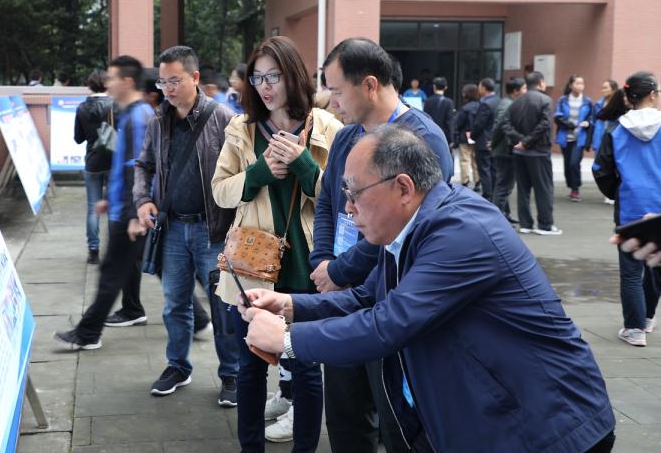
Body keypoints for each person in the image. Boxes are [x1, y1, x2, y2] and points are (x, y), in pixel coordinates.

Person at [240, 125, 616, 453]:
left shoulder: (461, 230)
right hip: (485, 418)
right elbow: (368, 297)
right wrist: (289, 305)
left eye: (354, 193)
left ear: (403, 187)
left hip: (547, 427)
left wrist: (287, 340)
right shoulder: (410, 227)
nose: (349, 209)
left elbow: (388, 323)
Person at [308, 38, 453, 453]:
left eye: (337, 91)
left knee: (394, 415)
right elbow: (328, 203)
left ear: (369, 85)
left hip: (387, 298)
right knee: (345, 413)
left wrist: (340, 271)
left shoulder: (421, 139)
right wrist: (323, 262)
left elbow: (402, 230)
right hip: (340, 289)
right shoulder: (346, 137)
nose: (332, 102)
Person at [212, 35, 342, 451]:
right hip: (253, 265)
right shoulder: (242, 128)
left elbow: (345, 199)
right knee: (250, 366)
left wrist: (304, 165)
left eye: (274, 76)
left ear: (293, 76)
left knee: (306, 368)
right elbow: (220, 191)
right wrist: (259, 173)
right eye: (258, 78)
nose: (265, 87)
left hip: (306, 265)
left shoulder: (328, 128)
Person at [133, 46, 240, 406]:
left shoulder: (223, 118)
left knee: (224, 307)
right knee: (174, 304)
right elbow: (143, 165)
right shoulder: (157, 120)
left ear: (195, 78)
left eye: (174, 81)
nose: (167, 89)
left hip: (214, 231)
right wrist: (142, 200)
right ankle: (178, 366)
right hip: (173, 229)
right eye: (162, 82)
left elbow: (242, 171)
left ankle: (232, 374)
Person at [53, 56, 152, 350]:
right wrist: (110, 199)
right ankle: (196, 318)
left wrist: (133, 213)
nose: (107, 84)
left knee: (111, 274)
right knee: (150, 266)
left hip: (130, 212)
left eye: (112, 78)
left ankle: (88, 334)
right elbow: (124, 165)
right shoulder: (130, 113)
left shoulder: (138, 117)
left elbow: (139, 167)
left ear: (127, 82)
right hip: (124, 207)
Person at [593, 71, 661, 347]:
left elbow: (601, 169)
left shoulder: (616, 130)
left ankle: (634, 329)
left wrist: (617, 192)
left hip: (630, 208)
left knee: (631, 272)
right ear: (653, 95)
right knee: (656, 267)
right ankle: (647, 317)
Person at [501, 71, 562, 235]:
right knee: (544, 188)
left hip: (519, 152)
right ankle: (545, 224)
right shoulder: (545, 100)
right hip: (539, 152)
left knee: (523, 189)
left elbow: (505, 124)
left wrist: (520, 141)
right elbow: (545, 125)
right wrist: (526, 141)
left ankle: (526, 224)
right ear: (541, 83)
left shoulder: (516, 102)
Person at [74, 69, 114, 265]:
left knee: (92, 208)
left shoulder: (82, 108)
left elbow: (78, 138)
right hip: (113, 161)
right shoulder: (114, 105)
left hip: (92, 162)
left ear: (89, 85)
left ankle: (93, 251)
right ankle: (115, 249)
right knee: (115, 207)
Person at [491, 77, 526, 223]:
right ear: (516, 91)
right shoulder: (508, 105)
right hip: (504, 151)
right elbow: (499, 126)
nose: (526, 91)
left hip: (505, 149)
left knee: (505, 185)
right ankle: (496, 219)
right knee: (503, 186)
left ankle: (504, 214)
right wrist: (493, 143)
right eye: (524, 88)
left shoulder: (510, 103)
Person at [554, 75, 593, 202]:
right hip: (565, 137)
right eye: (577, 83)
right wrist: (570, 125)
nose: (580, 86)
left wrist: (587, 122)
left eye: (582, 83)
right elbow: (557, 116)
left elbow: (591, 117)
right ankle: (571, 187)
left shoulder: (587, 101)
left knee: (574, 163)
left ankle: (575, 190)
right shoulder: (563, 100)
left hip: (580, 138)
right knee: (567, 165)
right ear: (571, 85)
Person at [590, 79, 619, 205]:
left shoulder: (618, 104)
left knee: (614, 165)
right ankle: (607, 193)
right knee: (602, 166)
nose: (603, 90)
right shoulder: (598, 103)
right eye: (602, 87)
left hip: (612, 139)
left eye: (606, 87)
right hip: (599, 138)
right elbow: (593, 121)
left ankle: (613, 193)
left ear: (613, 89)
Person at [470, 77, 499, 200]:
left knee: (484, 169)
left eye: (479, 86)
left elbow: (479, 124)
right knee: (493, 169)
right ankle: (495, 194)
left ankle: (488, 195)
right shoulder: (499, 100)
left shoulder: (485, 104)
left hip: (483, 141)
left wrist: (472, 136)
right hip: (495, 140)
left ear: (484, 88)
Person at [453, 84, 480, 190]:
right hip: (477, 137)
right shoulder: (480, 106)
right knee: (475, 160)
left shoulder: (465, 108)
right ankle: (477, 181)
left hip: (464, 137)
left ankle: (465, 181)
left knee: (465, 160)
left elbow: (458, 124)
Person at [422, 76, 454, 145]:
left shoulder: (428, 101)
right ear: (445, 87)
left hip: (430, 134)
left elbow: (425, 119)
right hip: (443, 135)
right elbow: (449, 122)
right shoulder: (449, 102)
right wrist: (451, 139)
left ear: (434, 86)